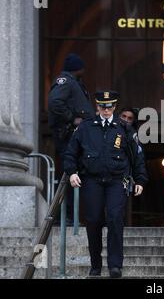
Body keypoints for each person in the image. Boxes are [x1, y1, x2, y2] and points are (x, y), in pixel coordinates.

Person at [64, 91, 148, 278]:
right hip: (92, 180)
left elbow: (137, 156)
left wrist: (140, 179)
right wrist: (71, 172)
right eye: (103, 106)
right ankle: (95, 264)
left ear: (115, 107)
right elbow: (70, 153)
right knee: (93, 220)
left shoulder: (125, 128)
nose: (106, 109)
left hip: (117, 181)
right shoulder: (85, 128)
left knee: (115, 218)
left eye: (110, 106)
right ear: (97, 106)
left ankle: (115, 265)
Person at [48, 53, 95, 224]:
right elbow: (55, 103)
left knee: (75, 174)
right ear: (78, 68)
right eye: (82, 68)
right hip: (69, 136)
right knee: (69, 174)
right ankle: (64, 216)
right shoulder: (65, 81)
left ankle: (69, 216)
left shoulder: (74, 83)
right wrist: (71, 118)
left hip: (78, 137)